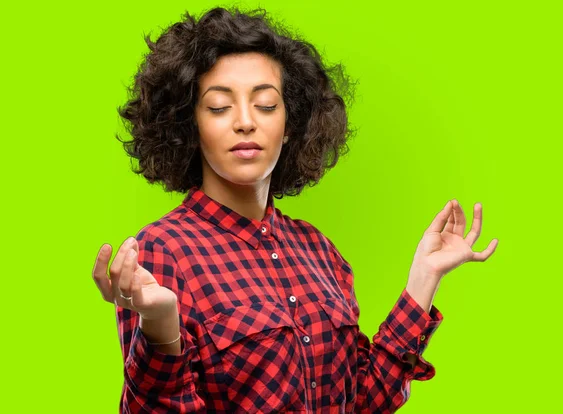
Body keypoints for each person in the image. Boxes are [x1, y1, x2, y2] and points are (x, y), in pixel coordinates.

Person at [91, 6, 498, 413]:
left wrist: (424, 278)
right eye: (219, 107)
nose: (245, 122)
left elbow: (364, 401)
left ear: (290, 126)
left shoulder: (319, 250)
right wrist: (161, 329)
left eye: (266, 105)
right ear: (189, 125)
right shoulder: (161, 253)